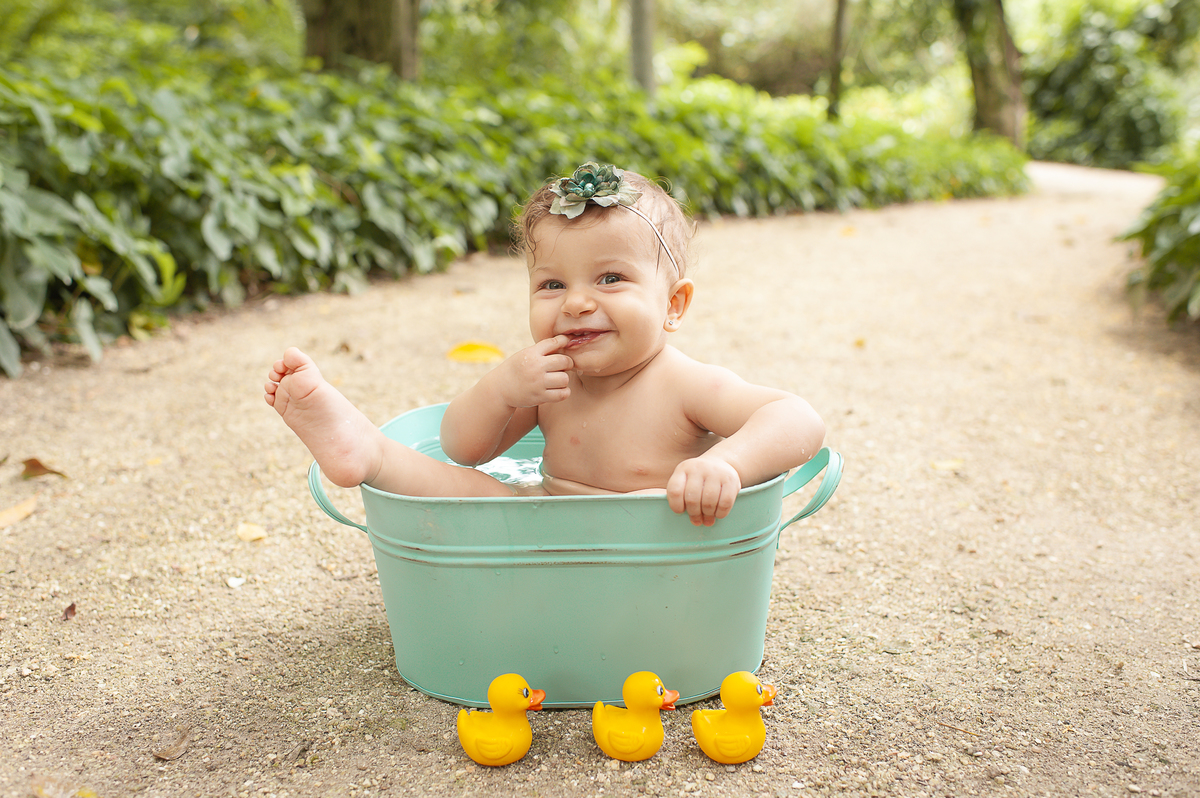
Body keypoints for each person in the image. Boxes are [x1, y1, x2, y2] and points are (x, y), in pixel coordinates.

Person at [265, 163, 825, 526]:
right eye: (552, 284)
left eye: (610, 279)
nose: (576, 303)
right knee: (474, 494)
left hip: (656, 538)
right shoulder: (549, 380)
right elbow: (463, 450)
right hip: (545, 518)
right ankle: (368, 454)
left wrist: (727, 463)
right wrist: (502, 389)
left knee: (652, 517)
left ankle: (372, 455)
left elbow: (797, 419)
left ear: (673, 305)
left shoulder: (687, 385)